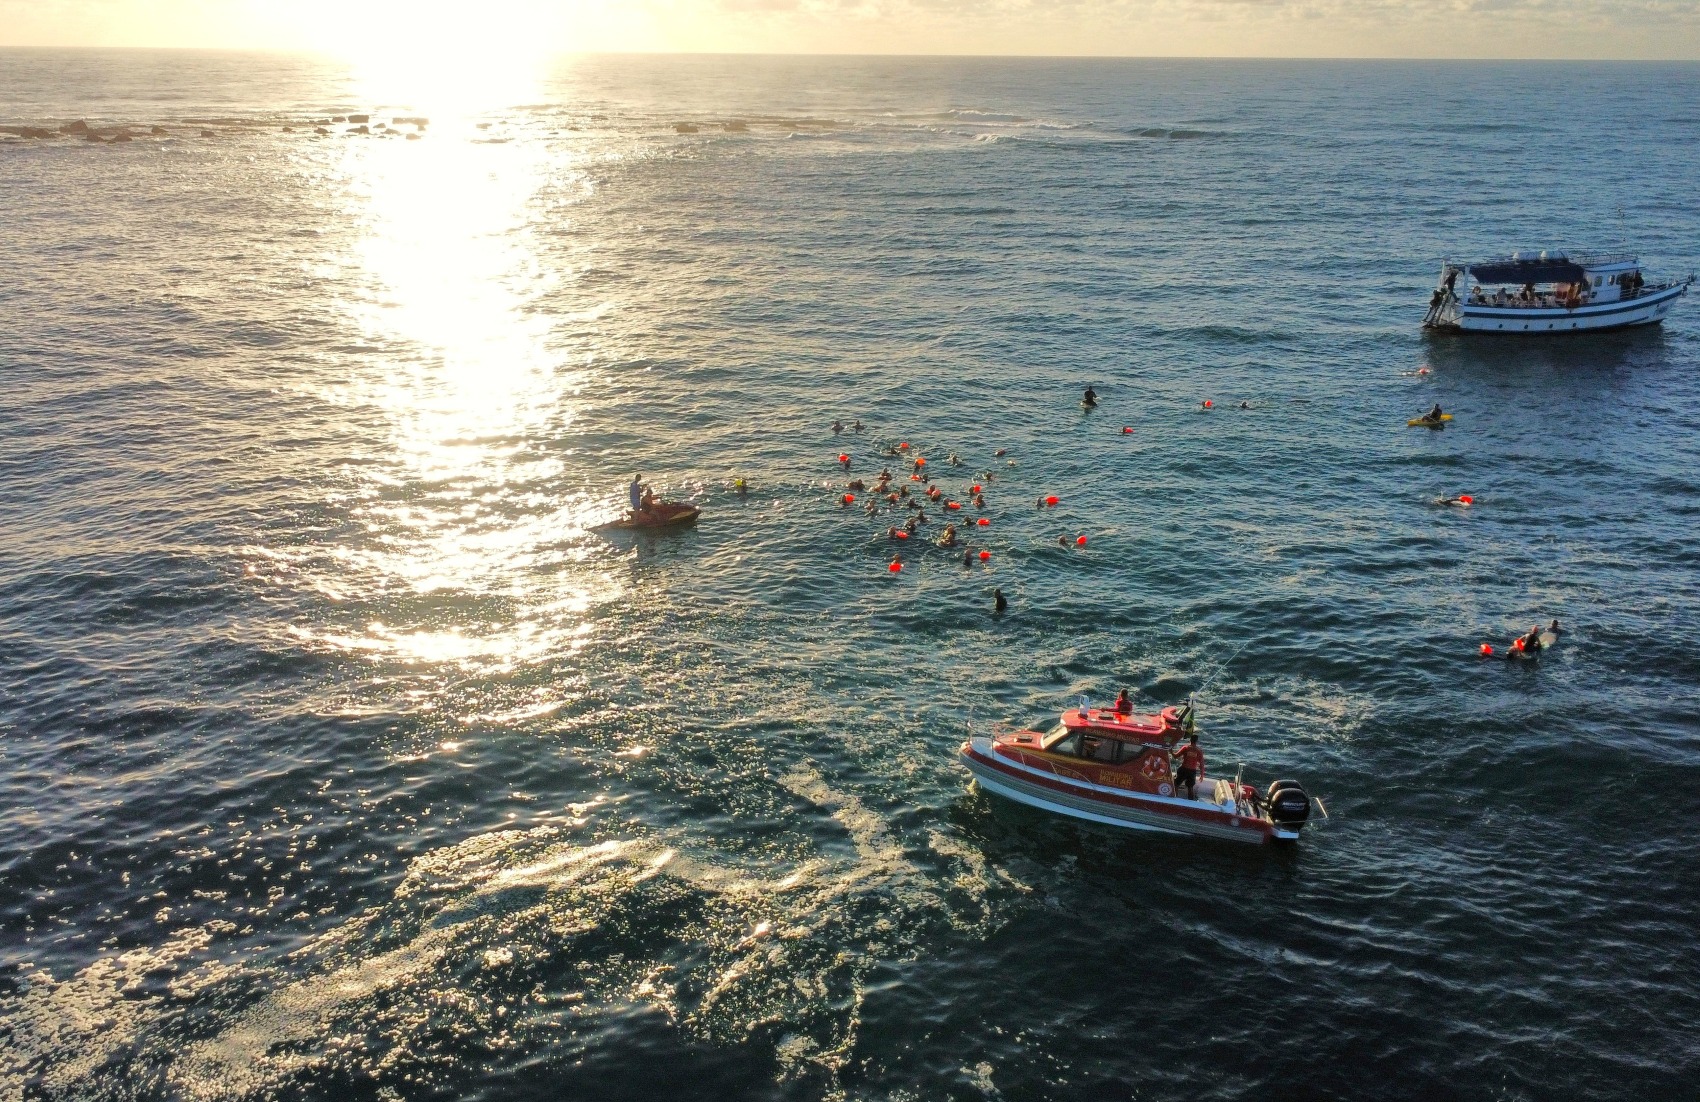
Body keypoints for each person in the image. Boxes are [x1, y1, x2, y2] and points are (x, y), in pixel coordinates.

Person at [1172, 734, 1204, 799]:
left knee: (1176, 784)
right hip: (1192, 771)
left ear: (1190, 740)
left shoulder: (1186, 748)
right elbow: (1202, 764)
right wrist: (1202, 775)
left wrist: (1170, 751)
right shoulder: (1199, 751)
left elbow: (1175, 756)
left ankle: (1174, 798)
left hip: (1183, 769)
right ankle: (1190, 801)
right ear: (1196, 741)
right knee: (1190, 787)